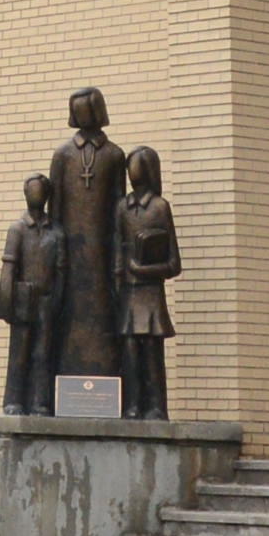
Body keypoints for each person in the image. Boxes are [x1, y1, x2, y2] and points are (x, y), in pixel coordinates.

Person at [43, 87, 131, 391]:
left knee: (104, 310)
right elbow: (54, 208)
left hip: (103, 251)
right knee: (69, 312)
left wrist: (118, 250)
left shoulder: (115, 155)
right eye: (75, 109)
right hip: (70, 247)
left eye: (85, 108)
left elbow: (120, 204)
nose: (81, 115)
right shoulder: (63, 155)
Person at [0, 174, 67, 419]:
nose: (36, 195)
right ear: (26, 194)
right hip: (23, 300)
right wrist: (7, 303)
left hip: (46, 301)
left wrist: (57, 299)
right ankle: (13, 400)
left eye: (40, 191)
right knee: (19, 353)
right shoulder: (17, 229)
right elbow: (9, 267)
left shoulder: (56, 232)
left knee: (42, 353)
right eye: (31, 191)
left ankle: (40, 403)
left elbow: (61, 270)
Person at [114, 145, 180, 422]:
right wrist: (119, 277)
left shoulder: (160, 207)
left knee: (152, 353)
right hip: (128, 293)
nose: (132, 171)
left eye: (137, 165)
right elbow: (117, 251)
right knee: (130, 352)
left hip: (150, 293)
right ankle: (132, 405)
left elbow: (174, 264)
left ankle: (156, 407)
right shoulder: (122, 208)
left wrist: (145, 269)